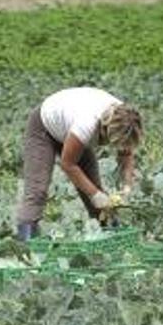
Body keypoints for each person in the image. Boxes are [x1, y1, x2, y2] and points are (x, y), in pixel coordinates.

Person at [14, 87, 143, 241]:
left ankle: (113, 240)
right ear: (105, 129)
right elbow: (68, 164)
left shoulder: (126, 121)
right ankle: (25, 246)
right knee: (37, 191)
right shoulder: (87, 123)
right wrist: (95, 195)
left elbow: (126, 153)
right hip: (44, 128)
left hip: (71, 127)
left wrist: (127, 187)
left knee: (94, 189)